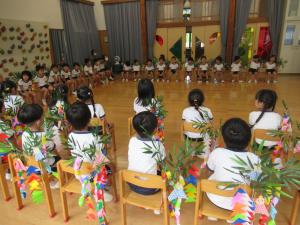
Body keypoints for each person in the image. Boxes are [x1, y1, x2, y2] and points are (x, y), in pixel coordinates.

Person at [206, 118, 260, 213]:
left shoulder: (217, 152)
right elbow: (255, 180)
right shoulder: (255, 159)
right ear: (248, 140)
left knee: (212, 175)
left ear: (224, 138)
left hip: (216, 197)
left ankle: (213, 214)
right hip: (241, 202)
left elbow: (210, 170)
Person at [66, 102, 112, 202]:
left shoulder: (70, 136)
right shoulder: (94, 137)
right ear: (89, 119)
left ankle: (87, 186)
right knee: (108, 168)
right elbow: (100, 158)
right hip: (92, 172)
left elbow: (72, 152)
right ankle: (99, 189)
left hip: (78, 172)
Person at [17, 104, 60, 188]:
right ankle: (55, 181)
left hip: (31, 165)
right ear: (38, 121)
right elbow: (52, 147)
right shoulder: (43, 136)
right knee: (59, 159)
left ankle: (49, 178)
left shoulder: (25, 134)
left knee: (41, 155)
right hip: (42, 167)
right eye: (42, 116)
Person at [128, 111, 165, 199]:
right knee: (165, 175)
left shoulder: (132, 141)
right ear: (156, 129)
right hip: (150, 188)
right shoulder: (157, 145)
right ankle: (160, 202)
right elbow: (163, 166)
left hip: (132, 182)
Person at [182, 89, 213, 157]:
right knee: (209, 129)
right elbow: (211, 123)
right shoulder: (207, 110)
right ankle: (205, 151)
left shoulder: (185, 111)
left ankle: (191, 151)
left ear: (189, 100)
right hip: (203, 135)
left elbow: (184, 123)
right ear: (202, 100)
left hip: (189, 135)